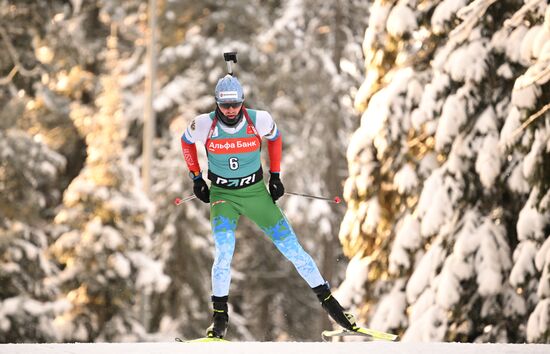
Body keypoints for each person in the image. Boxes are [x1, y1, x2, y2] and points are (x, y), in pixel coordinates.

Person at [180, 74, 356, 339]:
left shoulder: (258, 119)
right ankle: (219, 320)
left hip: (255, 193)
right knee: (225, 250)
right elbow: (186, 142)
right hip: (223, 195)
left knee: (292, 248)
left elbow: (275, 138)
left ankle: (335, 308)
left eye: (235, 104)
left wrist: (275, 175)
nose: (230, 110)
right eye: (224, 105)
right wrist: (196, 177)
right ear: (216, 103)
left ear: (242, 101)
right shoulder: (204, 124)